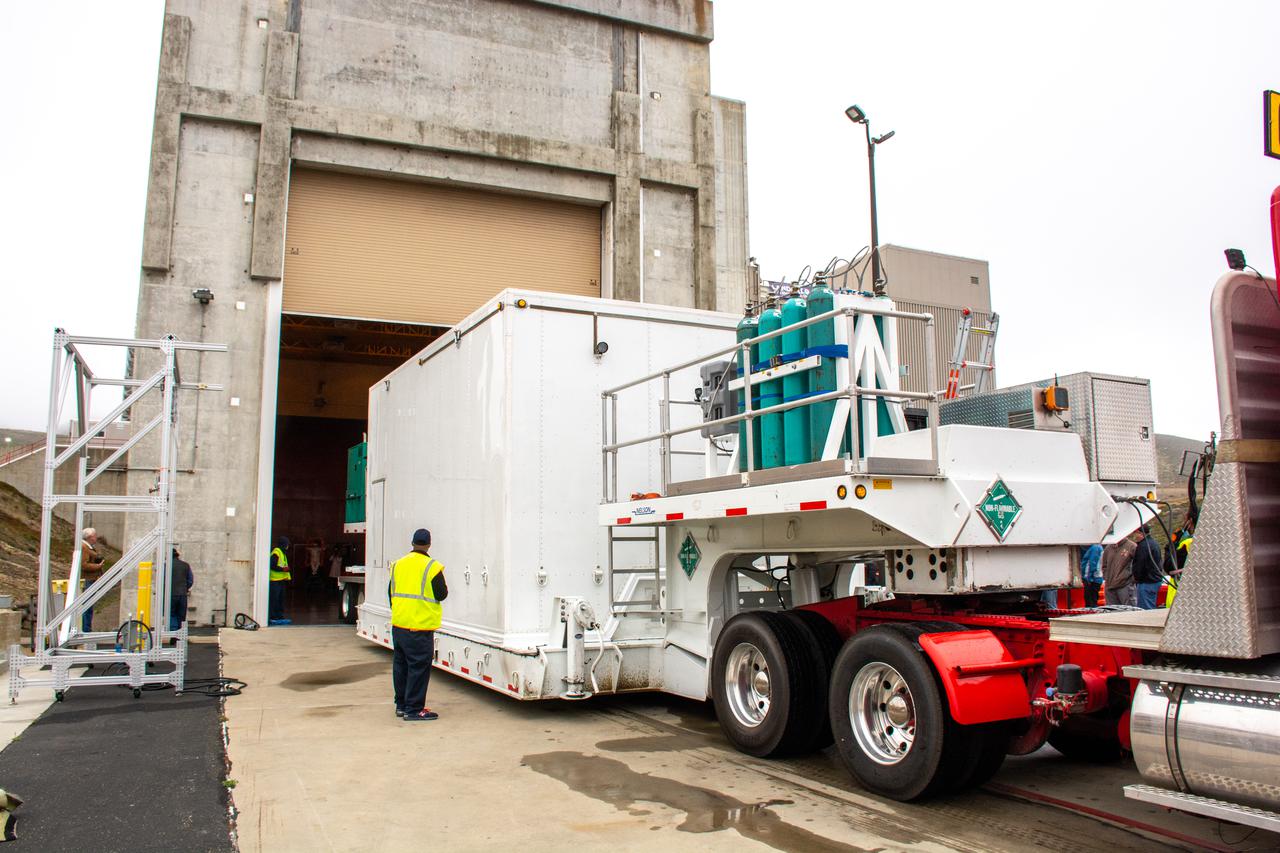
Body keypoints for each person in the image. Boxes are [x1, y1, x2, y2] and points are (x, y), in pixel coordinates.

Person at [390, 528, 448, 722]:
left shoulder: (398, 564)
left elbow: (390, 592)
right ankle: (414, 709)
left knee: (401, 666)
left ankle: (401, 705)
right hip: (420, 627)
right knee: (418, 668)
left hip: (399, 625)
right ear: (429, 544)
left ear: (412, 543)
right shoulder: (432, 567)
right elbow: (441, 594)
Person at [79, 527, 106, 633]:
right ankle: (86, 629)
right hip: (88, 579)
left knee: (89, 605)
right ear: (90, 537)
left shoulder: (88, 547)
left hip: (91, 579)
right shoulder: (84, 547)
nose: (96, 537)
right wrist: (98, 566)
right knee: (87, 605)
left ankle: (87, 628)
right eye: (95, 536)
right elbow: (84, 565)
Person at [1132, 525, 1164, 609]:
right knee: (1150, 606)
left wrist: (1136, 578)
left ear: (1140, 533)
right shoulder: (1154, 543)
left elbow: (1140, 565)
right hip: (1154, 580)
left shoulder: (1143, 546)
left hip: (1146, 582)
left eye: (1136, 533)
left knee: (1145, 609)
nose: (1135, 536)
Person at [1102, 535, 1137, 606]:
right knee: (1112, 612)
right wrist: (1107, 577)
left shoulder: (1132, 546)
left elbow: (1137, 565)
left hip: (1125, 585)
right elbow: (1104, 565)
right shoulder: (1108, 548)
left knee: (1129, 610)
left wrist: (1131, 580)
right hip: (1109, 586)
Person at [169, 547, 194, 632]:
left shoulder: (166, 565)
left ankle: (173, 632)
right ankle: (179, 634)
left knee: (171, 614)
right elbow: (190, 580)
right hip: (182, 594)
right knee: (181, 615)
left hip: (170, 594)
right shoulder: (185, 565)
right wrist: (185, 588)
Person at [269, 536, 291, 625]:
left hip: (280, 580)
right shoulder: (276, 552)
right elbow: (272, 565)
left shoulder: (282, 553)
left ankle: (279, 616)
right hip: (275, 580)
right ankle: (273, 617)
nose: (288, 547)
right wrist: (283, 569)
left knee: (280, 599)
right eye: (287, 545)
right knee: (275, 599)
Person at [1080, 542, 1104, 608]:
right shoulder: (1098, 547)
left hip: (1092, 579)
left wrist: (1088, 578)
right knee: (1093, 600)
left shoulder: (1095, 548)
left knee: (1090, 602)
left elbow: (1092, 563)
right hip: (1096, 578)